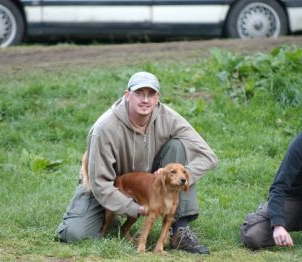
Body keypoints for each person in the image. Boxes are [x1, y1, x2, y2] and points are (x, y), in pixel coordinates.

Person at [55, 71, 218, 254]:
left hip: (149, 182)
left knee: (177, 146)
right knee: (72, 234)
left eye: (151, 94)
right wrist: (135, 208)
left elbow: (209, 156)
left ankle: (179, 229)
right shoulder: (104, 128)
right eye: (139, 93)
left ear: (158, 98)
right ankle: (110, 214)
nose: (145, 100)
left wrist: (183, 175)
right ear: (127, 95)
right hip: (108, 184)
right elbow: (99, 183)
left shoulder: (168, 117)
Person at [240, 90, 302, 251]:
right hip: (295, 201)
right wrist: (278, 225)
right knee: (253, 237)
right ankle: (269, 214)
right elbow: (279, 186)